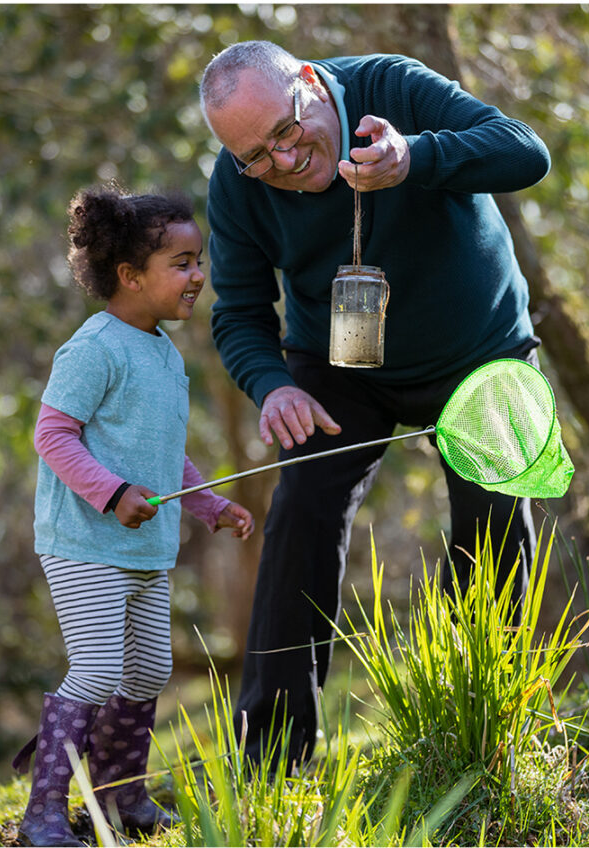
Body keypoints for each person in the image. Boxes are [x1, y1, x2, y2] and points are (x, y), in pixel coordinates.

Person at [198, 41, 552, 771]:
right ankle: (272, 755)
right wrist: (274, 386)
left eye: (288, 134)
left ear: (308, 84)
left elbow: (525, 153)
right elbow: (238, 311)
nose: (284, 163)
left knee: (493, 522)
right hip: (341, 366)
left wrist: (415, 157)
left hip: (477, 349)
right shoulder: (237, 184)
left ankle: (481, 738)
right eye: (258, 156)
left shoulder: (391, 84)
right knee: (302, 506)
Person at [13, 186, 254, 846]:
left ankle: (121, 801)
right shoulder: (95, 348)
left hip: (145, 549)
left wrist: (207, 504)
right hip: (84, 541)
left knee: (147, 672)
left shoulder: (165, 356)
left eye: (197, 260)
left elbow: (164, 454)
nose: (197, 275)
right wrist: (113, 494)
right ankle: (44, 814)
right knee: (94, 670)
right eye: (181, 263)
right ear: (129, 275)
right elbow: (52, 434)